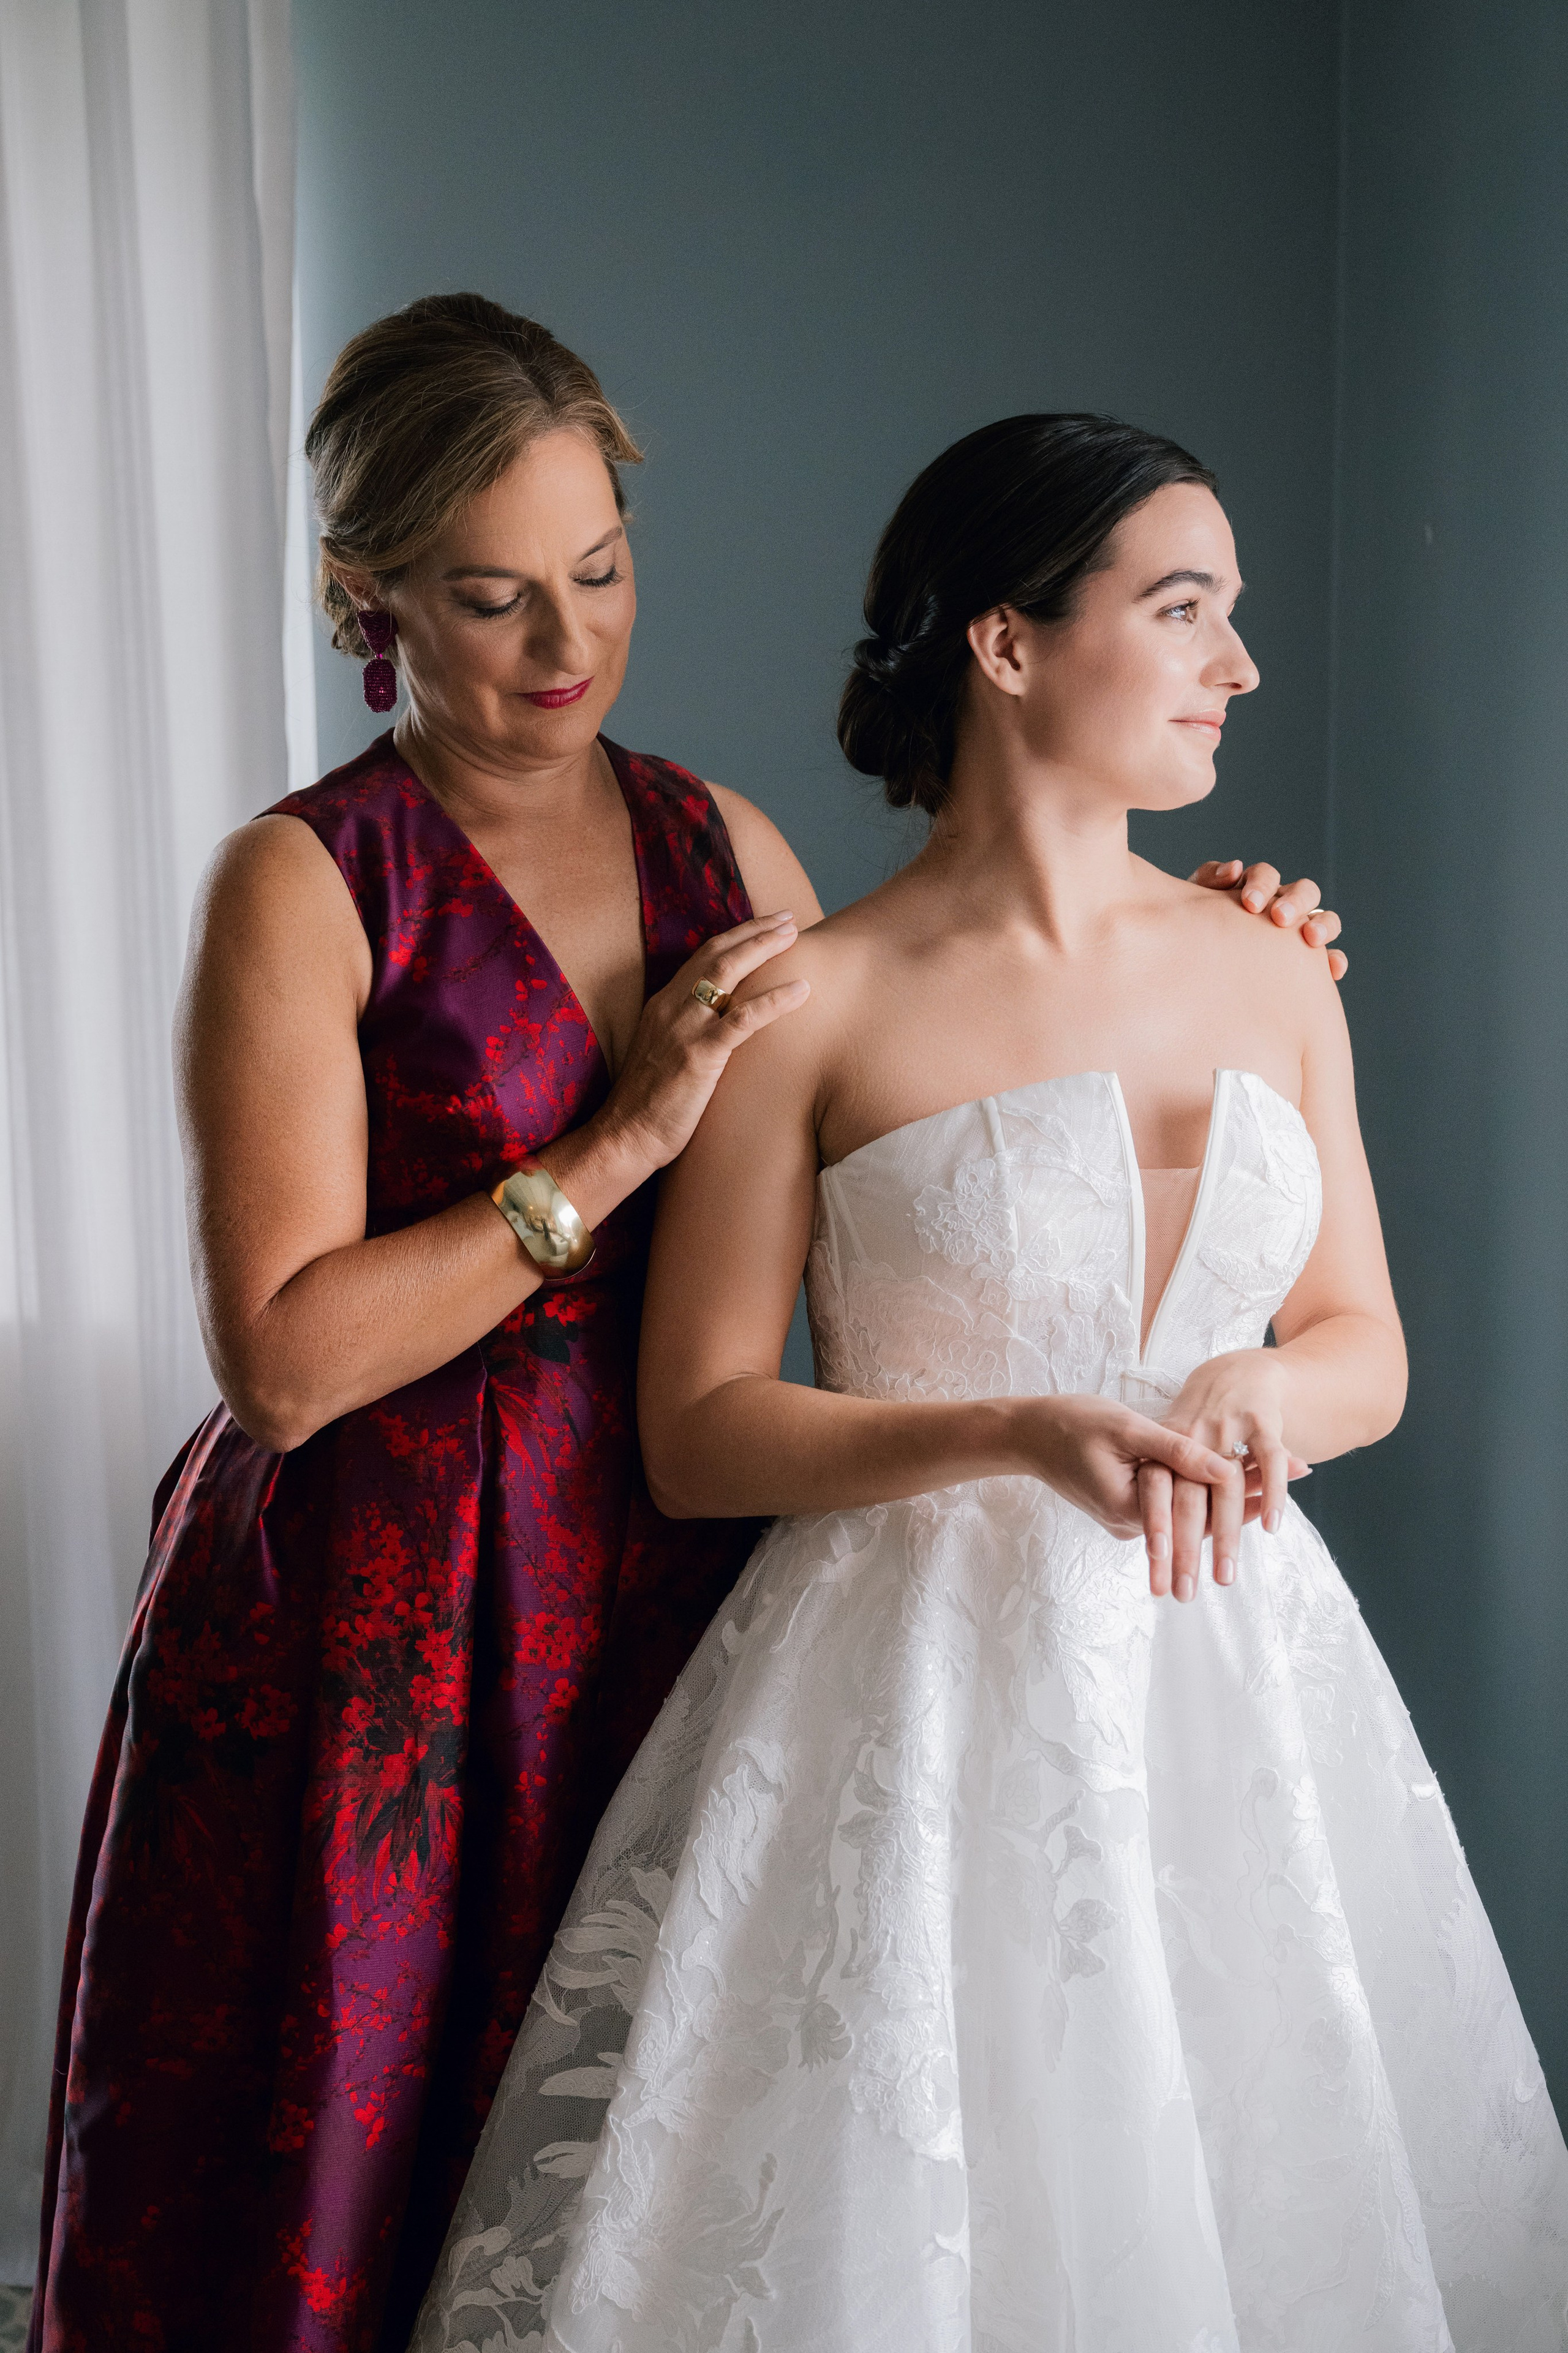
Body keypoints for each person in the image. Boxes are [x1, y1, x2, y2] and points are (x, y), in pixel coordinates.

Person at [26, 298, 1341, 2353]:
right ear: (368, 600)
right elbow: (280, 1361)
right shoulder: (299, 883)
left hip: (661, 1575)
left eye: (603, 574)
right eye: (490, 597)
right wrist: (623, 1137)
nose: (564, 645)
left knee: (644, 2165)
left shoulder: (722, 850)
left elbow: (937, 1161)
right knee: (345, 2159)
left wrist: (1217, 946)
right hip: (377, 1612)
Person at [413, 414, 1568, 2352]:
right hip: (911, 1705)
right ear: (1009, 646)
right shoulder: (810, 1002)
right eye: (1186, 608)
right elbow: (699, 1434)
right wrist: (1016, 1432)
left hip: (1243, 1688)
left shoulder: (1277, 969)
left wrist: (1249, 1396)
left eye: (1239, 615)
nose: (1240, 664)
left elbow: (1359, 1345)